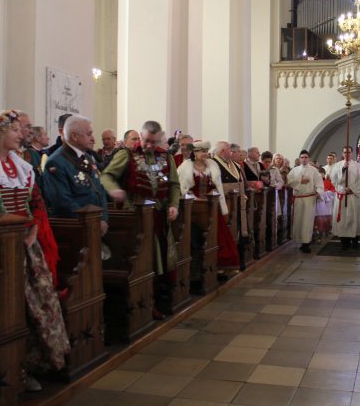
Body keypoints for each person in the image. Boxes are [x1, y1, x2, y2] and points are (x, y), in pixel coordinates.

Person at [0, 110, 69, 391]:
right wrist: (4, 233)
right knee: (11, 311)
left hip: (27, 248)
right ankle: (11, 372)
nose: (22, 134)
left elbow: (36, 202)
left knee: (42, 304)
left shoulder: (21, 165)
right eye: (15, 130)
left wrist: (32, 230)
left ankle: (38, 364)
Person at [101, 120, 181, 319]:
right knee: (145, 260)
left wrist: (173, 205)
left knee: (162, 258)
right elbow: (106, 176)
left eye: (153, 142)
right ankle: (144, 305)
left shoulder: (166, 156)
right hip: (135, 217)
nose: (148, 146)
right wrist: (115, 190)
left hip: (160, 216)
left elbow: (174, 185)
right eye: (145, 141)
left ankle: (160, 301)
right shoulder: (126, 154)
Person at [177, 141, 239, 285]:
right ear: (195, 152)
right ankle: (198, 272)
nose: (205, 154)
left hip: (211, 206)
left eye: (206, 151)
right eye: (202, 151)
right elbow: (183, 188)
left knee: (219, 236)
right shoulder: (185, 167)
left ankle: (220, 268)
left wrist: (214, 193)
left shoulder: (212, 165)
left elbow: (217, 185)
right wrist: (195, 198)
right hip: (193, 207)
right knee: (198, 238)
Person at [43, 115, 109, 235]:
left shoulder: (87, 157)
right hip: (76, 228)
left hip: (94, 223)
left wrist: (103, 218)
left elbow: (99, 189)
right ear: (74, 136)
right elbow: (62, 202)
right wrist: (91, 222)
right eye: (89, 134)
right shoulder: (56, 162)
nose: (93, 138)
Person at [287, 150, 324, 253]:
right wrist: (300, 181)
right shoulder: (294, 170)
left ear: (309, 158)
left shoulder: (314, 171)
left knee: (307, 221)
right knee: (299, 221)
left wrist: (318, 192)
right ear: (299, 159)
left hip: (309, 198)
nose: (304, 159)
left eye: (306, 157)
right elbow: (289, 181)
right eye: (302, 157)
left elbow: (320, 184)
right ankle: (300, 241)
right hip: (298, 199)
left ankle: (307, 243)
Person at [330, 145, 360, 250]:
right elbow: (334, 180)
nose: (347, 154)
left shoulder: (357, 166)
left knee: (354, 218)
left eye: (349, 152)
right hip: (341, 196)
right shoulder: (337, 165)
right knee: (343, 219)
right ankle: (344, 242)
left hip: (353, 196)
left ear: (352, 153)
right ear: (342, 153)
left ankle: (355, 241)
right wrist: (343, 170)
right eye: (345, 152)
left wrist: (352, 189)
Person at [314, 167, 335, 239]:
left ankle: (325, 231)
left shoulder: (328, 182)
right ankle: (316, 233)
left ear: (324, 174)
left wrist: (323, 194)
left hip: (325, 203)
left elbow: (333, 192)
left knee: (324, 218)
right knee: (316, 218)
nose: (320, 174)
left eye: (321, 173)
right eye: (318, 173)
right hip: (315, 203)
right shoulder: (314, 182)